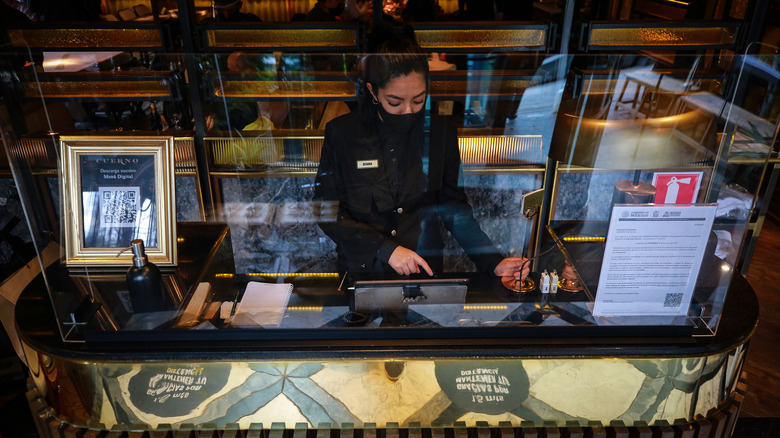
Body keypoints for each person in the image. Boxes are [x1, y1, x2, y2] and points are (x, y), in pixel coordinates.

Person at [314, 35, 529, 281]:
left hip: (423, 270)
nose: (408, 111)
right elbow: (326, 210)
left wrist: (493, 261)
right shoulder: (343, 133)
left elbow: (454, 210)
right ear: (373, 91)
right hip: (362, 269)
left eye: (418, 100)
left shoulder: (441, 134)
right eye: (395, 102)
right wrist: (386, 249)